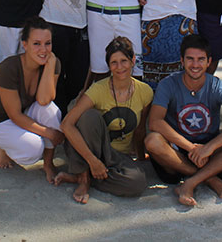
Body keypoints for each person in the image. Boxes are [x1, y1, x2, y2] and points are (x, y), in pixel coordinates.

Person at [145, 35, 222, 207]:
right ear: (182, 60)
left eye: (201, 59)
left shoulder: (217, 86)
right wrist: (192, 149)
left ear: (209, 61)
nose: (195, 65)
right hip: (178, 150)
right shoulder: (168, 84)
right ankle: (210, 179)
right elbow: (155, 122)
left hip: (210, 151)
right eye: (190, 59)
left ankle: (189, 183)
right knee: (152, 140)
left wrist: (209, 148)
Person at [55, 37, 152, 203]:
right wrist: (93, 161)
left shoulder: (145, 92)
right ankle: (85, 178)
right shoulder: (98, 89)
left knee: (138, 183)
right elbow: (66, 125)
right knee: (89, 116)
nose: (119, 67)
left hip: (116, 156)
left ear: (133, 60)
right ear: (108, 66)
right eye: (114, 62)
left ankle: (82, 176)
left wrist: (141, 158)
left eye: (124, 61)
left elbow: (140, 129)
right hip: (91, 150)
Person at [0, 17, 63, 182]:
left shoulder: (53, 63)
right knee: (33, 148)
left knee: (51, 111)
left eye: (48, 43)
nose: (43, 49)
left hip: (25, 115)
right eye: (36, 43)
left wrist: (51, 63)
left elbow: (45, 100)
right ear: (24, 44)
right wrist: (49, 133)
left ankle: (48, 164)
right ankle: (6, 148)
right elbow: (14, 115)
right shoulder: (9, 68)